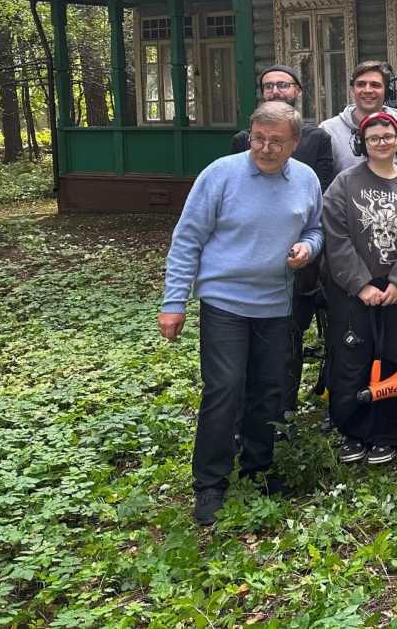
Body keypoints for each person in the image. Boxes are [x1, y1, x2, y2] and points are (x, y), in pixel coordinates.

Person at [159, 102, 323, 526]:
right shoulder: (220, 174)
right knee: (225, 388)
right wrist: (174, 302)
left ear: (294, 143)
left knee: (269, 388)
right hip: (224, 300)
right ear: (250, 134)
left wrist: (309, 248)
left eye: (276, 141)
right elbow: (187, 239)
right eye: (258, 138)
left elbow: (315, 228)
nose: (265, 148)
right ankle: (210, 483)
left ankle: (257, 467)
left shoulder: (306, 179)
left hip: (275, 303)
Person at [321, 111, 397, 465]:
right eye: (373, 138)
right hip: (354, 288)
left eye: (387, 136)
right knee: (353, 357)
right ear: (362, 143)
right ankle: (354, 431)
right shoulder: (344, 183)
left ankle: (389, 432)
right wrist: (360, 284)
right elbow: (335, 236)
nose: (381, 142)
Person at [230, 65, 334, 417]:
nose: (276, 90)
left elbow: (320, 199)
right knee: (250, 344)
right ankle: (252, 411)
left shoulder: (317, 138)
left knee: (290, 338)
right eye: (269, 85)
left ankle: (282, 413)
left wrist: (306, 247)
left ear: (297, 90)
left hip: (300, 263)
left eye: (283, 84)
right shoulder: (243, 139)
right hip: (251, 265)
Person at [321, 60, 397, 183]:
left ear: (386, 91)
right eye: (361, 84)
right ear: (352, 90)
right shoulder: (328, 131)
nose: (367, 90)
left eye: (375, 85)